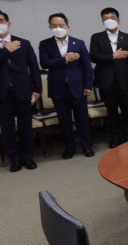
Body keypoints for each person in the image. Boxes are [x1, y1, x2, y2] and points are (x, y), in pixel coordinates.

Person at [0, 9, 42, 172]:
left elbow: (34, 67)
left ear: (8, 23)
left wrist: (37, 89)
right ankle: (14, 159)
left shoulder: (24, 43)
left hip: (23, 90)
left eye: (0, 20)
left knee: (26, 125)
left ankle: (28, 157)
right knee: (7, 127)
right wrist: (7, 50)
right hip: (0, 91)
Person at [39, 13, 94, 159]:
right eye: (54, 26)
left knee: (82, 120)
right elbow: (44, 63)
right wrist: (65, 59)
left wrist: (88, 85)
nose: (58, 28)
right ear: (50, 27)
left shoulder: (79, 43)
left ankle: (86, 146)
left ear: (67, 27)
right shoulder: (45, 44)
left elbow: (87, 67)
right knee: (64, 122)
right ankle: (69, 148)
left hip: (78, 88)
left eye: (61, 25)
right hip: (58, 89)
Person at [90, 7, 128, 148]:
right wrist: (112, 56)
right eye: (106, 19)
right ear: (102, 21)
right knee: (111, 111)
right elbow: (93, 57)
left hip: (125, 81)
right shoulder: (96, 37)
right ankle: (115, 137)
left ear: (118, 20)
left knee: (126, 110)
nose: (109, 21)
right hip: (106, 81)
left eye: (112, 18)